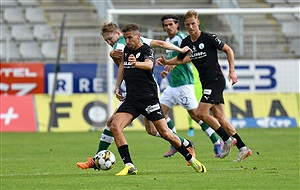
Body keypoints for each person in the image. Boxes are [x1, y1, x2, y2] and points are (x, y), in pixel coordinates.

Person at [76, 22, 196, 170]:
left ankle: (98, 158)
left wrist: (116, 58)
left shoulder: (122, 45)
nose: (109, 42)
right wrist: (180, 49)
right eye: (106, 40)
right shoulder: (132, 42)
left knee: (113, 123)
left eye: (110, 38)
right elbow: (157, 44)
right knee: (152, 130)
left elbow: (137, 63)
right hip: (134, 90)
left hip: (145, 91)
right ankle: (184, 143)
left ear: (118, 33)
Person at [111, 23, 206, 175]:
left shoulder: (146, 50)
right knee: (115, 126)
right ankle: (129, 165)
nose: (127, 41)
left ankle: (190, 158)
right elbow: (123, 65)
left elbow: (149, 65)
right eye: (125, 38)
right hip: (132, 99)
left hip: (148, 99)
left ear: (138, 36)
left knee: (165, 133)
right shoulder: (127, 49)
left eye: (130, 38)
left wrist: (137, 63)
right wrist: (117, 86)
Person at [156, 10, 252, 162]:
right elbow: (181, 60)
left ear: (198, 23)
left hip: (216, 80)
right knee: (221, 118)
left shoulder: (208, 38)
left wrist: (232, 72)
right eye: (188, 25)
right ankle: (243, 148)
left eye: (193, 24)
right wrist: (167, 63)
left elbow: (228, 50)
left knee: (200, 113)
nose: (191, 27)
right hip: (206, 82)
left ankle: (226, 140)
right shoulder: (186, 42)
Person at [158, 14, 224, 158]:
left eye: (171, 24)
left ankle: (217, 141)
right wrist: (167, 69)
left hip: (184, 84)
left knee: (197, 115)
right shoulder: (168, 41)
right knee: (160, 114)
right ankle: (175, 142)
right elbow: (175, 60)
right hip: (172, 85)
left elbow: (189, 57)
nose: (168, 27)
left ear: (177, 25)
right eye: (166, 25)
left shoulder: (183, 39)